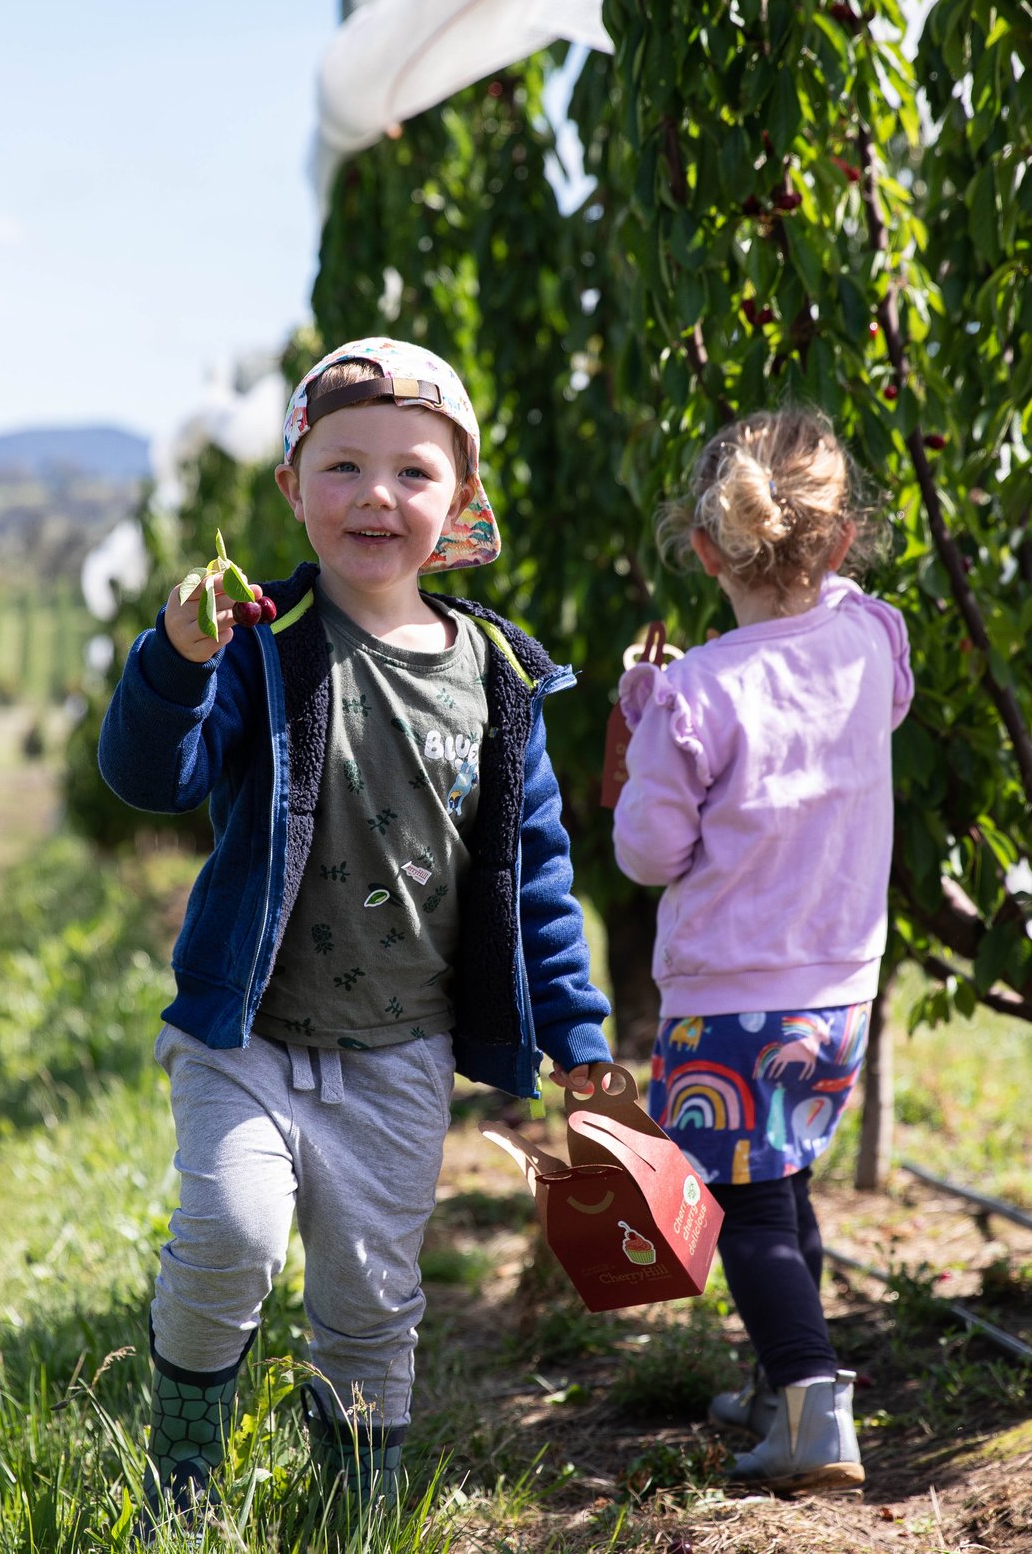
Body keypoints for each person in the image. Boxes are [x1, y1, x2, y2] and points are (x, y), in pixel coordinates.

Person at [99, 336, 614, 1521]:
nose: (376, 495)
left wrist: (576, 1033)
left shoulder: (495, 674)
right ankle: (184, 1466)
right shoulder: (263, 649)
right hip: (252, 1035)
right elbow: (150, 774)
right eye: (341, 467)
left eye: (412, 472)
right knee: (227, 1231)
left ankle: (356, 1512)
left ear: (459, 499)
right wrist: (174, 662)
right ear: (291, 485)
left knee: (373, 1294)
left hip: (400, 1053)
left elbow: (533, 868)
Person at [610, 406, 910, 1490]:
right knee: (781, 1187)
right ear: (836, 540)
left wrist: (646, 714)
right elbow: (866, 709)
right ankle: (775, 1379)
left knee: (745, 1206)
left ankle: (811, 1409)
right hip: (838, 987)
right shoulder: (873, 637)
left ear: (705, 550)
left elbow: (649, 852)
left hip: (728, 996)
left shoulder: (693, 693)